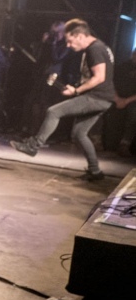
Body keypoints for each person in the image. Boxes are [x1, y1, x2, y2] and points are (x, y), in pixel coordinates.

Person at [10, 19, 116, 181]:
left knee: (54, 111)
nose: (68, 45)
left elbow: (99, 77)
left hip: (97, 97)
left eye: (70, 41)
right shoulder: (101, 46)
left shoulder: (95, 49)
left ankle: (33, 146)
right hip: (103, 98)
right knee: (79, 133)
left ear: (80, 36)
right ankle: (95, 171)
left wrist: (77, 90)